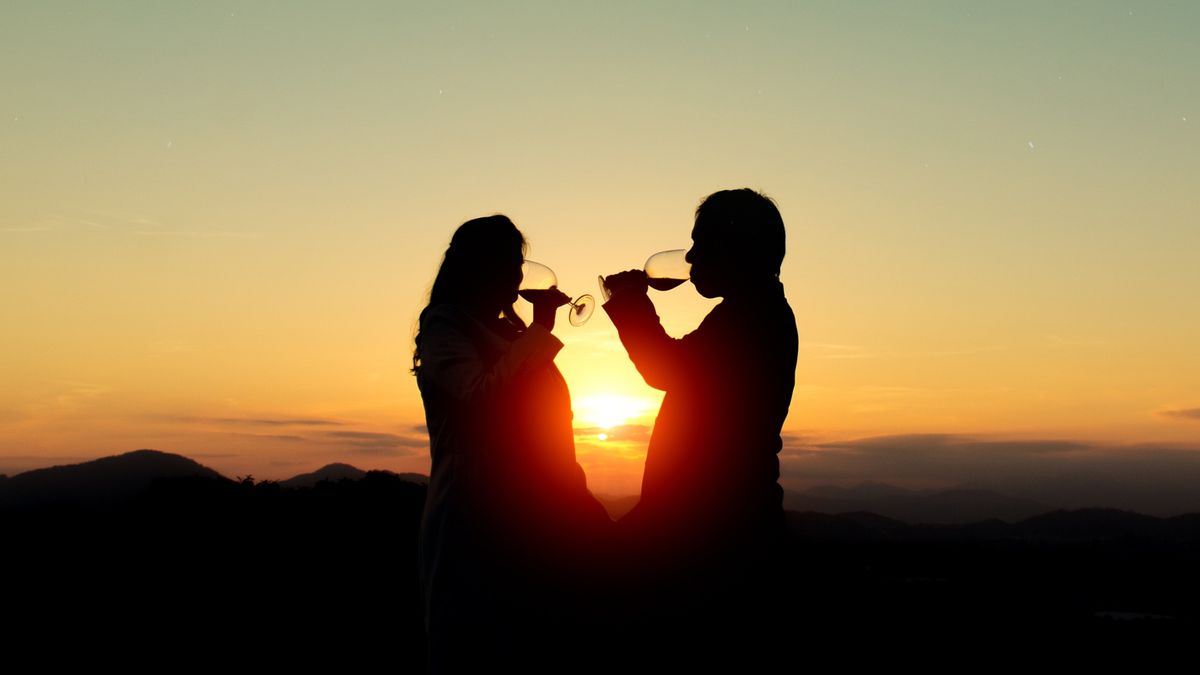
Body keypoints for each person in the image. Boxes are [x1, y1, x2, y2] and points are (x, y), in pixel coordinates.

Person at [601, 188, 798, 664]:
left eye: (700, 243)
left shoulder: (749, 319)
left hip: (713, 540)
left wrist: (630, 304)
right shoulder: (754, 312)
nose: (690, 257)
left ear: (737, 249)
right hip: (720, 529)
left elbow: (665, 369)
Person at [412, 215, 612, 673]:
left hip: (536, 520)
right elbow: (482, 400)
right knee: (477, 656)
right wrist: (542, 326)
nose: (516, 275)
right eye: (505, 263)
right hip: (475, 519)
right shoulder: (444, 328)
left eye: (517, 263)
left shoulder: (510, 334)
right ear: (474, 268)